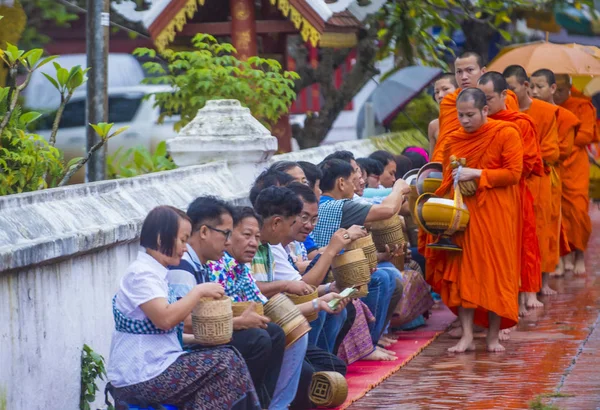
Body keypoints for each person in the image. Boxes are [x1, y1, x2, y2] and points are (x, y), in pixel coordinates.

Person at [107, 206, 260, 410]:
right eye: (182, 240)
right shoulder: (141, 275)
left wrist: (201, 340)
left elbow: (166, 332)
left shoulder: (156, 273)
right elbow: (165, 319)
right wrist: (198, 292)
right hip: (140, 376)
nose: (186, 248)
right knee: (224, 362)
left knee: (227, 356)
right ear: (162, 239)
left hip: (158, 367)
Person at [166, 197, 290, 409]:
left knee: (274, 333)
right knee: (256, 340)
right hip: (183, 348)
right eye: (226, 234)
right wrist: (238, 322)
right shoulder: (183, 268)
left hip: (199, 337)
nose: (228, 242)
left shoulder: (202, 265)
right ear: (204, 232)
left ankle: (261, 404)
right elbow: (184, 322)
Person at [432, 88, 522, 353]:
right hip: (463, 217)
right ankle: (468, 335)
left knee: (495, 274)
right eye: (460, 115)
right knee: (463, 275)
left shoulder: (506, 133)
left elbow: (514, 173)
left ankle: (493, 336)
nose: (465, 120)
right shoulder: (454, 138)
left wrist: (478, 174)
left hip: (496, 213)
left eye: (470, 114)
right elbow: (446, 176)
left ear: (485, 110)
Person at [313, 158, 408, 350]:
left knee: (386, 272)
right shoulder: (340, 206)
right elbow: (388, 210)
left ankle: (373, 339)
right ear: (341, 183)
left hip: (328, 264)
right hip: (327, 270)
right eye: (353, 178)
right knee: (380, 277)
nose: (358, 183)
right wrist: (398, 188)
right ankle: (367, 345)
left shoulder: (329, 204)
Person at [477, 72, 544, 316]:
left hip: (513, 192)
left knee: (516, 245)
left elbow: (528, 163)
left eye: (488, 99)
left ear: (505, 95)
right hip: (481, 193)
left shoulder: (519, 123)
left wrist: (492, 171)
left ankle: (517, 299)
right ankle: (488, 307)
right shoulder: (475, 124)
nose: (484, 105)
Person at [503, 65, 561, 296]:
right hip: (512, 181)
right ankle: (520, 286)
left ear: (524, 86)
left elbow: (552, 151)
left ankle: (539, 283)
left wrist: (525, 159)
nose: (508, 94)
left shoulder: (546, 112)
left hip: (537, 178)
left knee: (540, 231)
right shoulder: (502, 114)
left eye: (511, 89)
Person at [530, 69, 581, 284]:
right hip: (528, 175)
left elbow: (563, 151)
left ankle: (546, 273)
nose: (534, 91)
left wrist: (535, 154)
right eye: (531, 87)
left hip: (550, 175)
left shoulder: (566, 117)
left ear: (552, 88)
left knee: (548, 226)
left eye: (539, 87)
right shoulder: (525, 112)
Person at [433, 51, 519, 162]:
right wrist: (438, 165)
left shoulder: (502, 98)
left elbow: (513, 137)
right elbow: (445, 141)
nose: (463, 77)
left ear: (483, 71)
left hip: (490, 164)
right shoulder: (449, 102)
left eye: (469, 70)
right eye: (459, 72)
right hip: (452, 163)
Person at [554, 74, 595, 275]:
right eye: (555, 89)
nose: (558, 94)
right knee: (556, 212)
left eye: (561, 90)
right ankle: (560, 258)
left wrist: (562, 136)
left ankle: (579, 255)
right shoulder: (547, 107)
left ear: (569, 88)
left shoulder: (582, 106)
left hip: (576, 163)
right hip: (556, 161)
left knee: (578, 211)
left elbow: (586, 134)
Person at [429, 73, 458, 156]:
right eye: (436, 92)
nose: (440, 95)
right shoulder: (433, 126)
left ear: (458, 90)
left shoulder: (469, 118)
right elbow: (433, 162)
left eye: (445, 89)